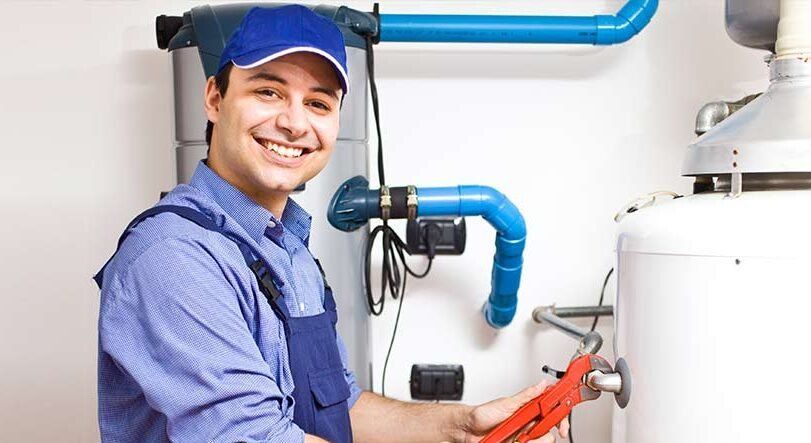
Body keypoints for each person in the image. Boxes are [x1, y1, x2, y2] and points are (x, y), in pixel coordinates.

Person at [96, 5, 567, 442]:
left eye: (318, 103)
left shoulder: (290, 250)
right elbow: (256, 437)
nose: (295, 123)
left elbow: (343, 406)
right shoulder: (174, 257)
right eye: (268, 91)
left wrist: (461, 427)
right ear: (215, 99)